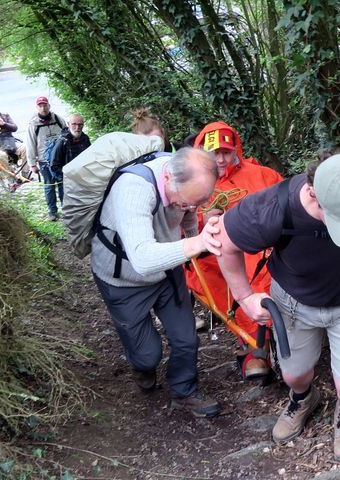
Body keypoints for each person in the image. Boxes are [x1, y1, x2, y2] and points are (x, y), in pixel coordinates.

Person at [214, 153, 340, 458]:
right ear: (312, 192)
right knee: (294, 376)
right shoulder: (273, 207)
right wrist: (244, 297)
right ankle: (303, 397)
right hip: (295, 299)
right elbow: (225, 240)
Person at [91, 139, 223, 418]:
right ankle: (141, 365)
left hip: (167, 269)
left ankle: (184, 392)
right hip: (123, 279)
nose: (191, 206)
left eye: (198, 201)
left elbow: (188, 213)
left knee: (186, 339)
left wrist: (192, 230)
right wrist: (197, 243)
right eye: (187, 200)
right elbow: (142, 259)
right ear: (167, 177)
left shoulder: (183, 185)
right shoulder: (132, 190)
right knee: (147, 355)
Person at [184, 121, 283, 379]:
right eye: (214, 152)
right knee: (228, 278)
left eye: (226, 152)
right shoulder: (191, 181)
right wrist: (204, 222)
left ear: (236, 150)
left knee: (262, 271)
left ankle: (277, 343)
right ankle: (253, 345)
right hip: (215, 255)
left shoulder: (262, 175)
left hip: (264, 248)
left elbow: (286, 205)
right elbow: (180, 230)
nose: (220, 159)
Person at [26, 96, 67, 221]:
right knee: (49, 185)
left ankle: (66, 210)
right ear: (37, 107)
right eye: (40, 106)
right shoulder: (33, 124)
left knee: (62, 185)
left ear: (49, 106)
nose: (43, 108)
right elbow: (30, 144)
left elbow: (67, 136)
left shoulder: (59, 120)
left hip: (60, 159)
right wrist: (32, 164)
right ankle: (52, 212)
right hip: (44, 161)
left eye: (45, 105)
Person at [50, 114, 91, 178]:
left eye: (80, 124)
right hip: (67, 179)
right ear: (68, 124)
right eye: (74, 124)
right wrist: (67, 176)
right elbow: (54, 166)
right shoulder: (62, 141)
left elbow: (89, 158)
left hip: (82, 177)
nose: (77, 127)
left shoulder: (85, 138)